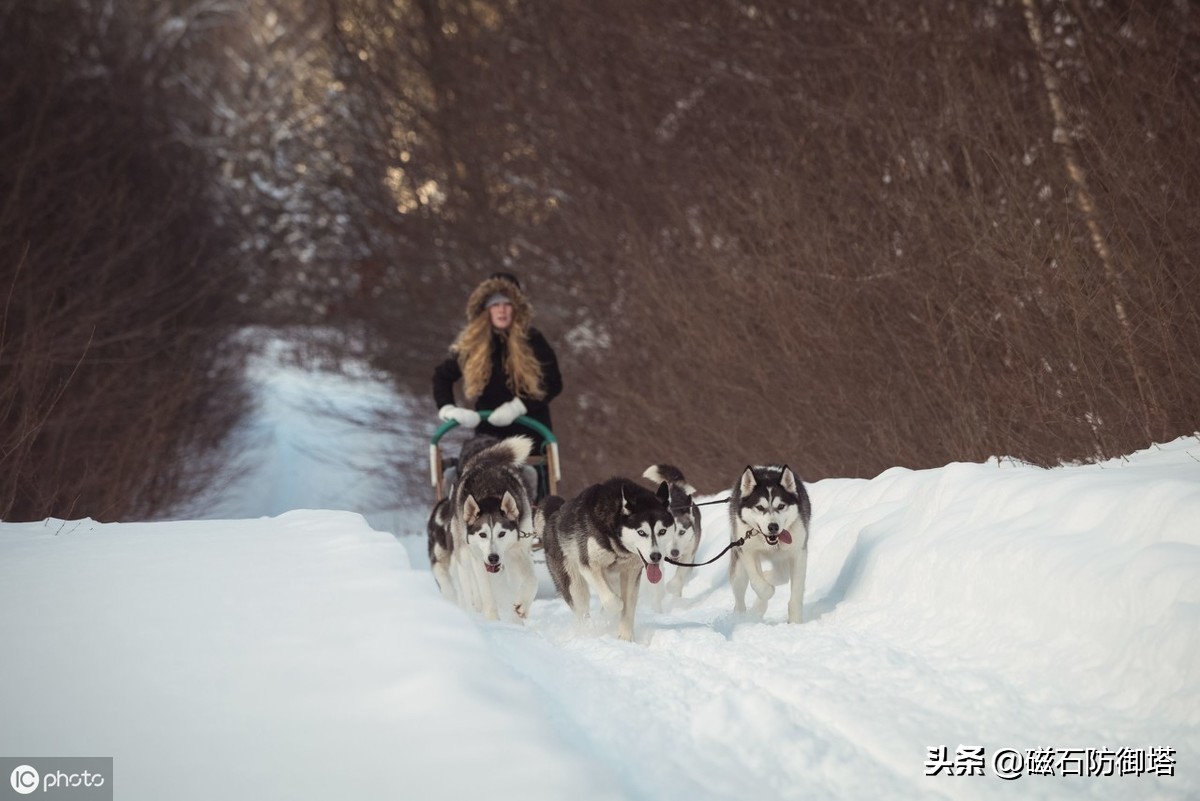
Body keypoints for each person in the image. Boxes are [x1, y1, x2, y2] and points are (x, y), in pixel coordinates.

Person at [433, 272, 563, 453]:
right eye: (495, 304)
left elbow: (553, 382)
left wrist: (518, 407)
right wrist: (449, 409)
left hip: (531, 432)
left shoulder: (532, 340)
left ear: (516, 308)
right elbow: (442, 376)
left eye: (507, 304)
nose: (501, 310)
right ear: (486, 309)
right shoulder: (473, 345)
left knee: (531, 468)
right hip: (489, 435)